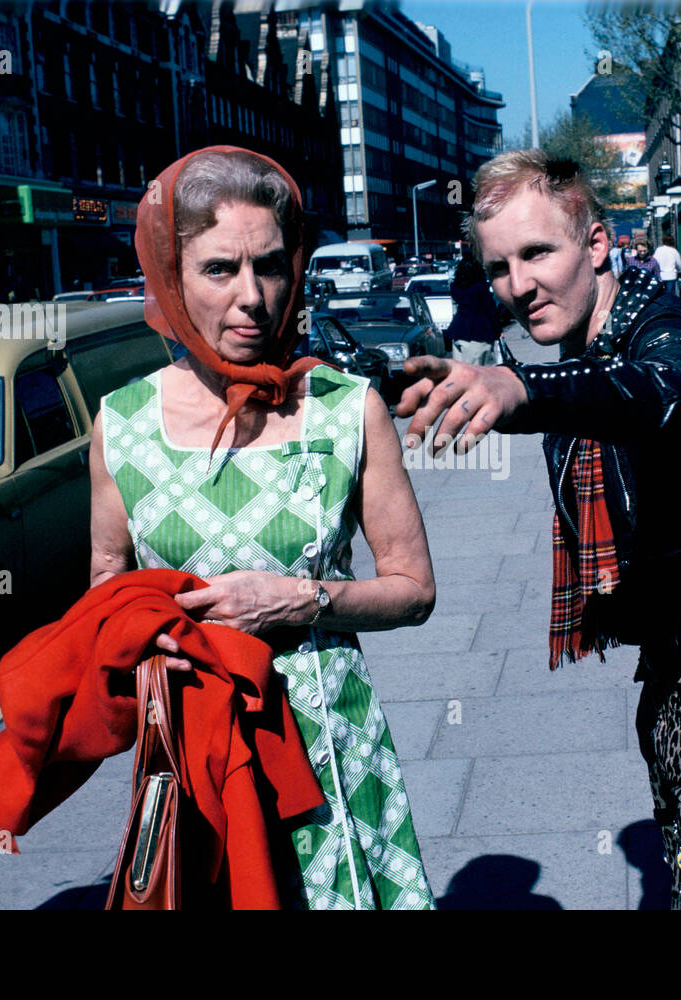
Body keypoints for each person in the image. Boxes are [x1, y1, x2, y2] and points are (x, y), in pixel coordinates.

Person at [394, 150, 681, 910]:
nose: (519, 284)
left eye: (538, 252)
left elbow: (659, 394)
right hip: (676, 677)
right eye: (499, 266)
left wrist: (522, 388)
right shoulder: (583, 348)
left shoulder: (666, 329)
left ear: (596, 245)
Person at [89, 145, 437, 910]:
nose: (252, 296)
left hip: (332, 757)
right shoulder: (122, 425)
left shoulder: (349, 408)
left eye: (271, 266)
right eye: (219, 269)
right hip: (197, 760)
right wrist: (145, 647)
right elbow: (107, 590)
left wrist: (296, 600)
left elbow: (414, 591)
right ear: (171, 276)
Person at [446, 257, 501, 366]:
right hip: (479, 332)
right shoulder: (481, 288)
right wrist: (498, 330)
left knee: (460, 370)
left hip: (458, 331)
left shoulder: (454, 287)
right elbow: (490, 310)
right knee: (477, 371)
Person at [653, 232, 681, 299]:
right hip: (671, 276)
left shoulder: (658, 250)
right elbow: (679, 264)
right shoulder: (674, 251)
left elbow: (654, 262)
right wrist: (680, 270)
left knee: (660, 295)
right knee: (670, 296)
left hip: (660, 276)